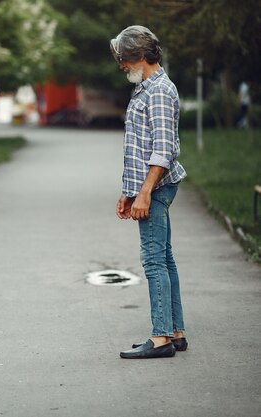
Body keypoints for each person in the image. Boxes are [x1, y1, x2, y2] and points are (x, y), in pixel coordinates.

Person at [110, 26, 188, 359]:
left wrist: (143, 194)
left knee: (153, 261)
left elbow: (163, 149)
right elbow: (139, 148)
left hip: (156, 188)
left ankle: (160, 340)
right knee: (165, 259)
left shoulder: (158, 91)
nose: (122, 66)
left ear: (139, 56)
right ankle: (175, 332)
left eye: (124, 59)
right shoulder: (146, 88)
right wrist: (129, 192)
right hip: (147, 187)